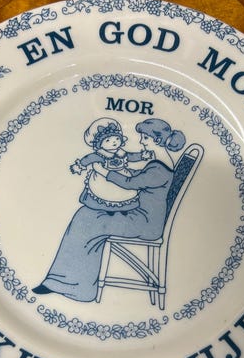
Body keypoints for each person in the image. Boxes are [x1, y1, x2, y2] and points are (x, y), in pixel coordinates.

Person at [33, 118, 186, 302]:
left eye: (145, 138)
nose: (142, 141)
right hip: (138, 215)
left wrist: (104, 172)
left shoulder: (159, 169)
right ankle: (63, 282)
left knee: (86, 221)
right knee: (86, 215)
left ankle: (76, 288)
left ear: (157, 140)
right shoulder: (158, 164)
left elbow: (130, 183)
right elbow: (139, 177)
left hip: (144, 222)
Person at [70, 117, 152, 214]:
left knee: (124, 193)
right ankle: (107, 210)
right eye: (108, 140)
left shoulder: (121, 152)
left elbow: (131, 156)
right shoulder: (100, 155)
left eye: (117, 138)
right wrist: (79, 166)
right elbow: (89, 159)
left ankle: (123, 209)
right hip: (103, 179)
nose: (114, 142)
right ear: (100, 144)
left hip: (121, 176)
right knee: (105, 194)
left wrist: (141, 156)